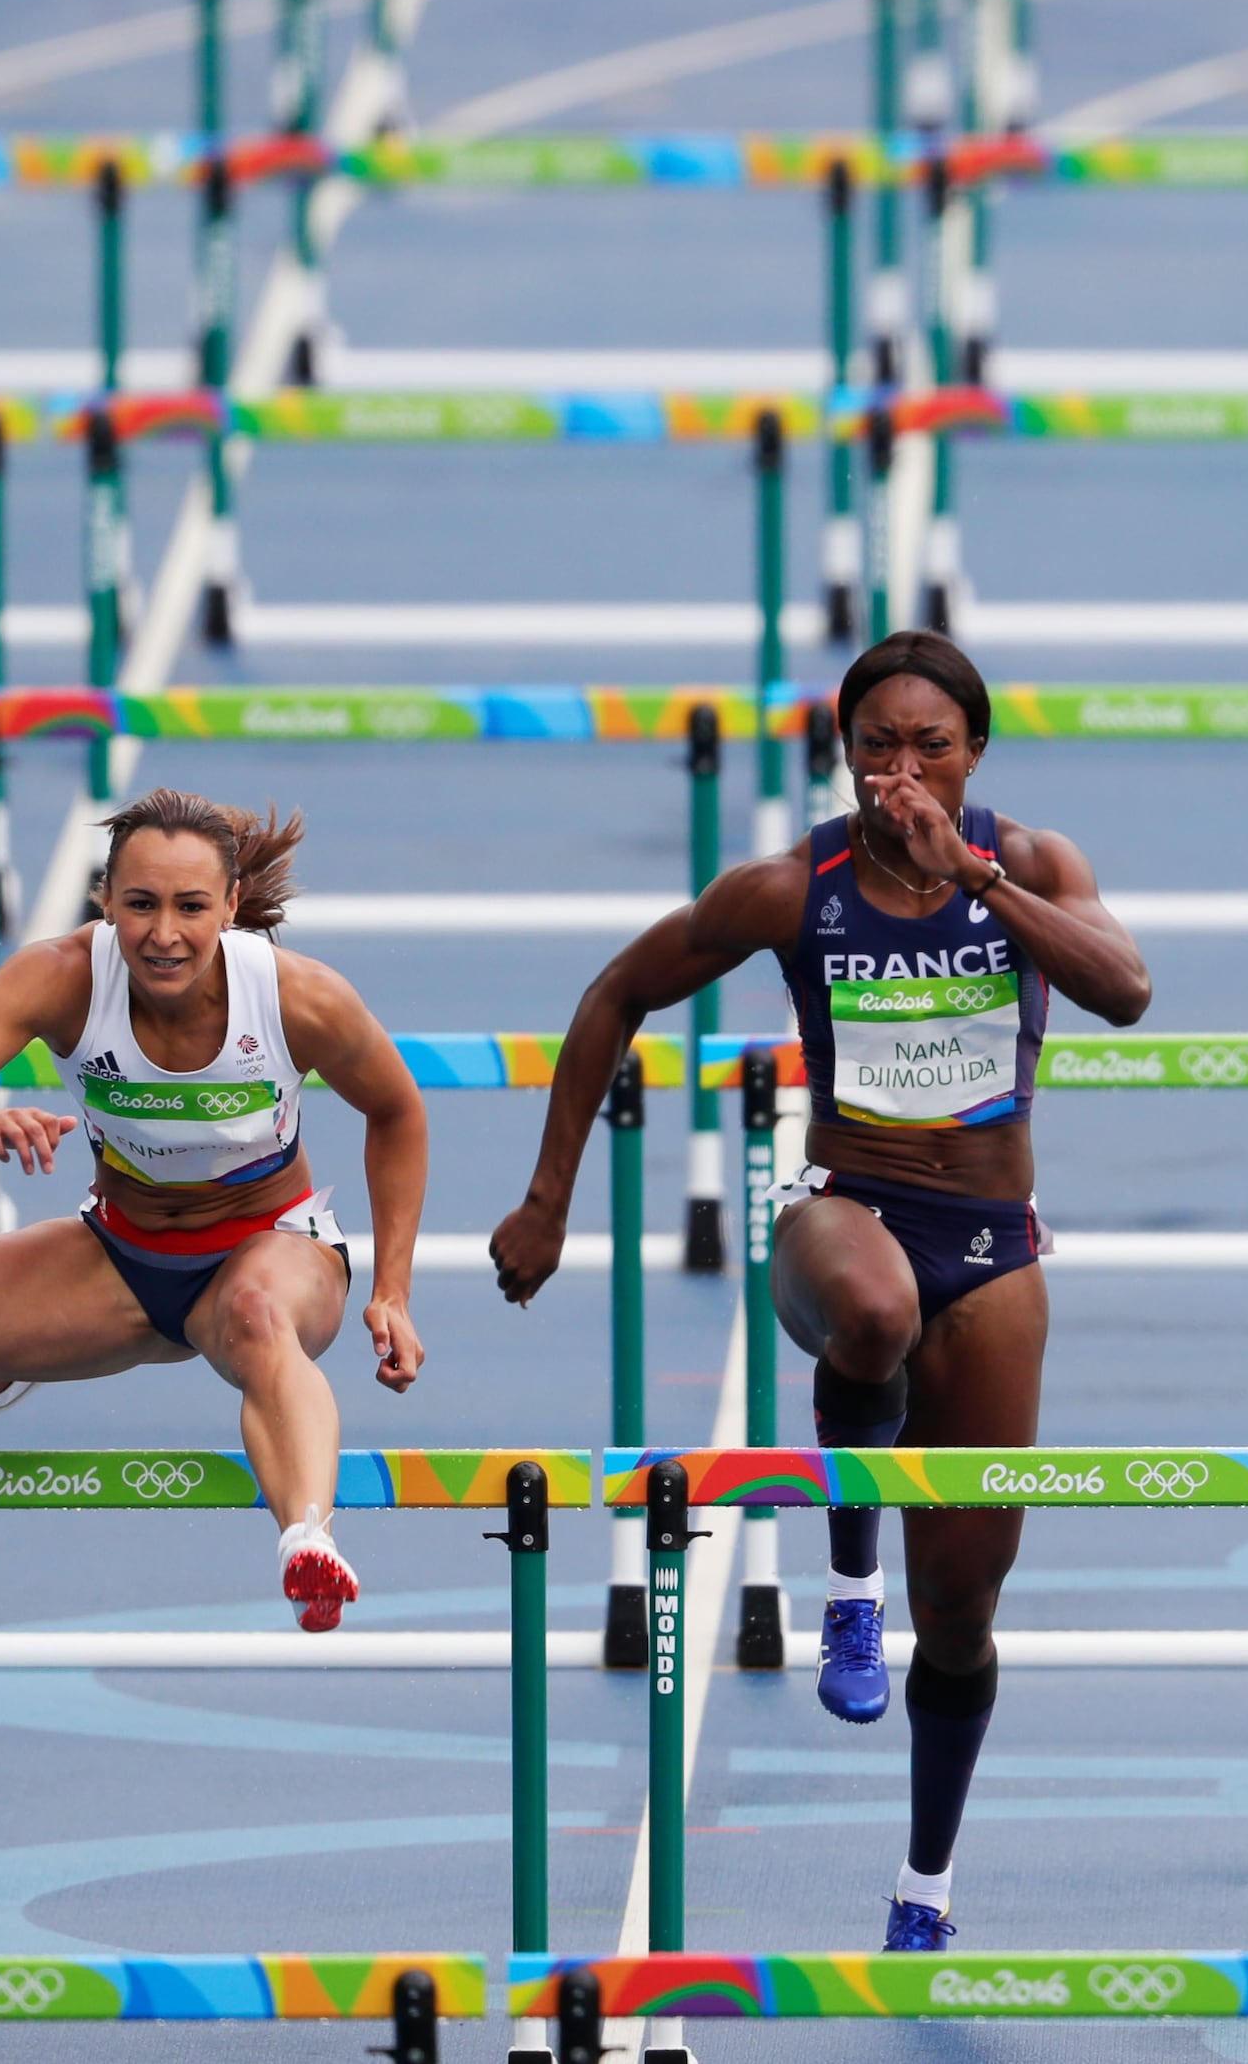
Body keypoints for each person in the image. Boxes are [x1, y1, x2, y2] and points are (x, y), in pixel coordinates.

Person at [487, 630, 1150, 1953]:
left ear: (974, 756)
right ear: (845, 758)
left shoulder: (1036, 863)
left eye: (932, 746)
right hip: (849, 1216)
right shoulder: (796, 890)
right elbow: (619, 988)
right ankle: (849, 1582)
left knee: (962, 1613)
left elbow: (1124, 990)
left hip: (995, 1243)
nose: (903, 770)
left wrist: (975, 877)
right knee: (875, 1308)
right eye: (877, 747)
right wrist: (549, 1198)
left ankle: (925, 1882)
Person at [0, 791, 428, 1633]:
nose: (163, 934)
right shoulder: (61, 977)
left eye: (189, 907)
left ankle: (306, 1540)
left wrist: (390, 1289)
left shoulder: (298, 998)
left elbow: (397, 1112)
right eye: (140, 904)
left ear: (231, 907)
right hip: (120, 1257)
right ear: (106, 899)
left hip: (272, 1252)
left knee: (253, 1316)